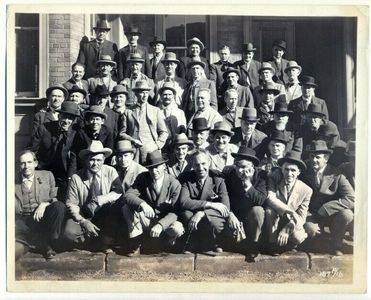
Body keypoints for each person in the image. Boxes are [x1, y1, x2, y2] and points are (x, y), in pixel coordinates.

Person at [64, 141, 123, 251]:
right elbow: (71, 204)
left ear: (104, 160)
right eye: (92, 160)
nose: (95, 163)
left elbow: (119, 192)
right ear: (86, 160)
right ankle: (93, 242)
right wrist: (83, 221)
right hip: (84, 215)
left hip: (104, 215)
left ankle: (101, 240)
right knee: (69, 232)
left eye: (99, 160)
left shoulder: (110, 171)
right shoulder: (76, 177)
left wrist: (99, 200)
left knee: (117, 212)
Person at [123, 150, 184, 255]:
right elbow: (128, 195)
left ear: (164, 166)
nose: (154, 171)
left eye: (157, 167)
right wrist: (143, 204)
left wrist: (161, 225)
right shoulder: (143, 178)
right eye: (150, 168)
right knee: (126, 208)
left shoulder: (174, 183)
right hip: (149, 219)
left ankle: (168, 243)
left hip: (166, 223)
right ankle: (136, 242)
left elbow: (176, 211)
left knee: (177, 229)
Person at [303, 140, 354, 256]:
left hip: (330, 216)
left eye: (317, 157)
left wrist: (327, 208)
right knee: (312, 234)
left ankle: (336, 245)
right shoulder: (304, 171)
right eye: (311, 156)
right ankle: (314, 242)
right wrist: (307, 219)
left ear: (326, 158)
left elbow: (352, 198)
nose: (313, 160)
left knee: (347, 214)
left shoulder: (337, 174)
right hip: (310, 214)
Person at [15, 150, 66, 260]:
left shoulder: (47, 175)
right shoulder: (11, 180)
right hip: (22, 219)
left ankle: (51, 241)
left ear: (35, 163)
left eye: (29, 162)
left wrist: (44, 204)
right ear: (19, 165)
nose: (26, 166)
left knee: (59, 206)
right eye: (23, 163)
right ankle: (41, 243)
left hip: (41, 216)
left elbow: (55, 197)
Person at [178, 149, 230, 253]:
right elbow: (184, 202)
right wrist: (209, 204)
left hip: (210, 216)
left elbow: (225, 206)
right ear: (192, 165)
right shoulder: (187, 178)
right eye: (197, 165)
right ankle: (193, 243)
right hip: (194, 216)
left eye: (203, 164)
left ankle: (215, 242)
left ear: (209, 162)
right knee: (187, 214)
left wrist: (202, 212)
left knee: (214, 220)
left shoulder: (218, 179)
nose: (200, 168)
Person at [222, 146, 267, 259]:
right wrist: (230, 214)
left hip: (252, 219)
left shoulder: (261, 175)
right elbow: (223, 196)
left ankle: (254, 244)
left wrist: (247, 183)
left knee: (258, 210)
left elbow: (261, 200)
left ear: (252, 166)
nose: (240, 170)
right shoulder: (229, 173)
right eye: (237, 166)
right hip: (234, 217)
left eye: (243, 167)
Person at [265, 150, 312, 254]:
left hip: (291, 221)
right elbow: (270, 198)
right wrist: (290, 211)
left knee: (298, 237)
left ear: (298, 172)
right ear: (281, 169)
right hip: (276, 218)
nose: (289, 174)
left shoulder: (306, 190)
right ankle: (272, 243)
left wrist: (288, 227)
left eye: (293, 170)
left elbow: (301, 216)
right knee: (269, 211)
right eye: (286, 169)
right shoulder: (274, 178)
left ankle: (290, 244)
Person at [31, 101, 80, 199]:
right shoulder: (44, 128)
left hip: (63, 172)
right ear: (59, 115)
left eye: (70, 118)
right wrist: (34, 167)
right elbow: (33, 150)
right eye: (64, 117)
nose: (66, 121)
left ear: (74, 119)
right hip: (44, 169)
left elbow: (74, 157)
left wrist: (70, 176)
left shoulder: (75, 132)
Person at [118, 80, 168, 163]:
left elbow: (164, 132)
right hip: (133, 152)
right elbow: (122, 133)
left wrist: (157, 145)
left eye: (146, 92)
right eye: (142, 93)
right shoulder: (128, 112)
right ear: (136, 93)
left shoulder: (155, 110)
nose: (145, 95)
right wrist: (133, 140)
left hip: (152, 152)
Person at [158, 82, 187, 152]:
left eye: (169, 94)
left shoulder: (180, 113)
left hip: (176, 145)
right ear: (161, 96)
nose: (167, 97)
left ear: (173, 96)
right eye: (165, 95)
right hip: (162, 145)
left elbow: (183, 131)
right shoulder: (157, 112)